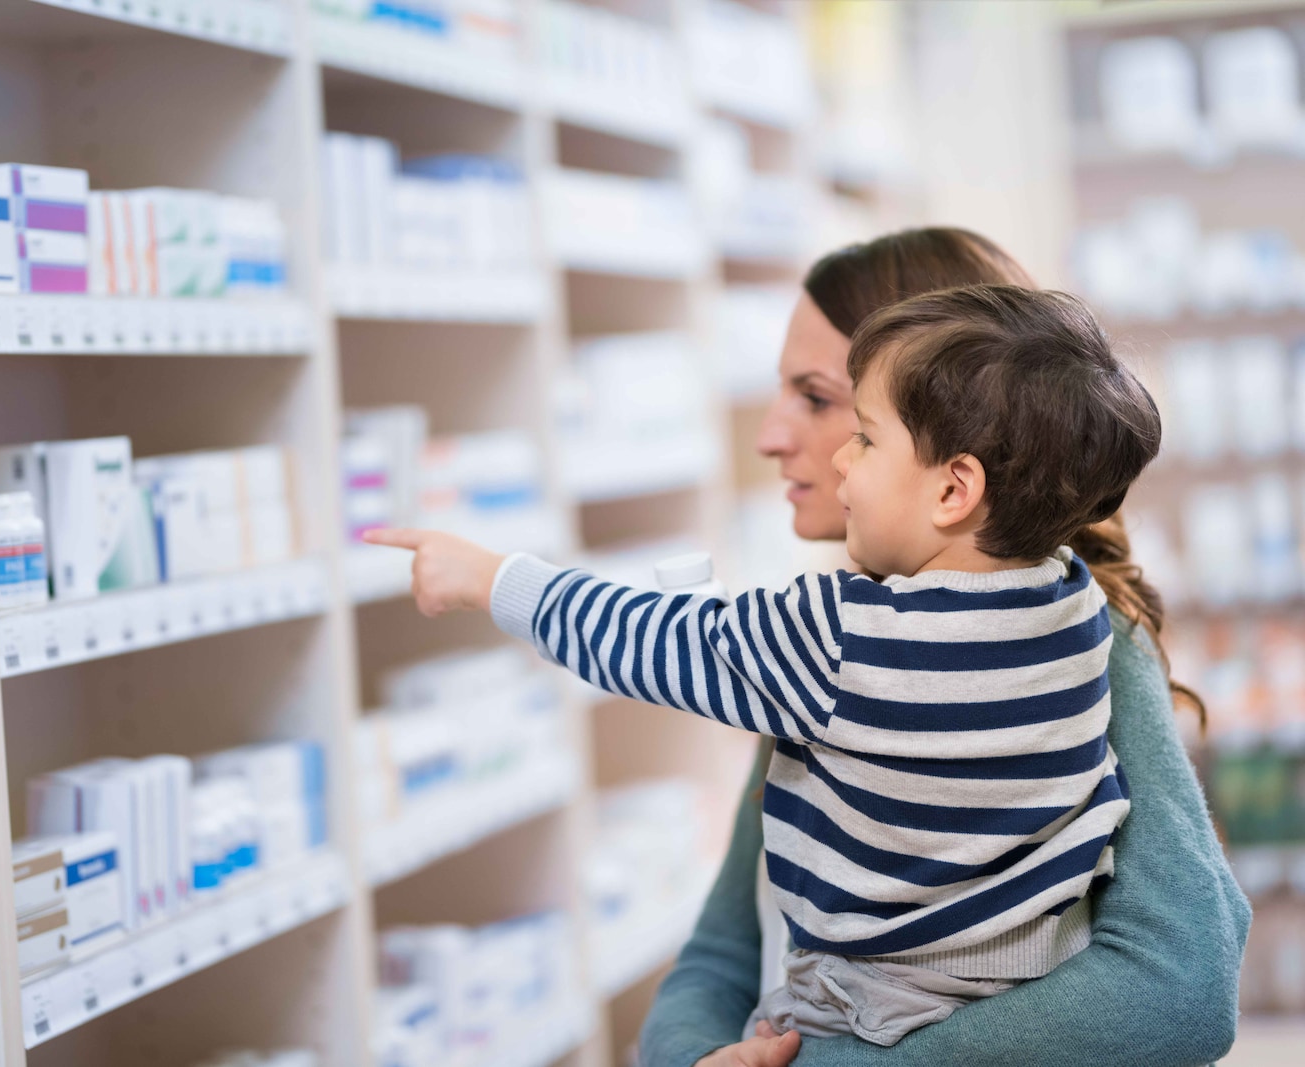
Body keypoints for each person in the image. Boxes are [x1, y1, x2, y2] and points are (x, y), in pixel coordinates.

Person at [369, 281, 1161, 1045]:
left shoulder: (842, 635)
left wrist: (495, 578)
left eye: (864, 435)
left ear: (955, 488)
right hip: (1034, 973)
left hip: (862, 1002)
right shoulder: (1076, 603)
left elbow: (652, 640)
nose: (841, 460)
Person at [640, 230, 1250, 1067]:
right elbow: (718, 954)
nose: (771, 435)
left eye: (823, 401)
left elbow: (1179, 987)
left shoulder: (1076, 643)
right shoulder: (839, 640)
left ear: (957, 466)